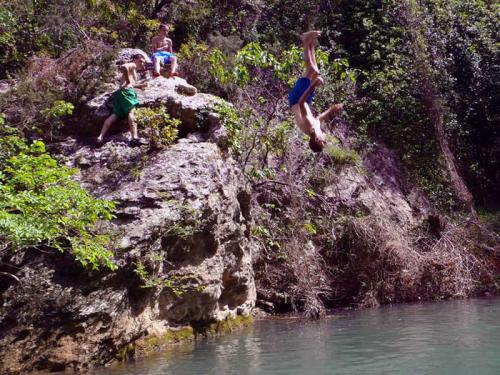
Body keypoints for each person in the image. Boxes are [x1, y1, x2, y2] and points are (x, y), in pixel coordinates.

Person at [289, 31, 343, 152]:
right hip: (304, 100)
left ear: (317, 140)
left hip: (297, 99)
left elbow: (301, 103)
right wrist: (332, 110)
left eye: (323, 142)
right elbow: (318, 119)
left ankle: (305, 40)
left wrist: (313, 85)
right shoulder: (316, 130)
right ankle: (311, 43)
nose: (325, 140)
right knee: (316, 72)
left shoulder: (309, 126)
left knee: (311, 69)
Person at [96, 54, 148, 147]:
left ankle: (100, 137)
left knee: (114, 115)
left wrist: (141, 85)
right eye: (140, 61)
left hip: (120, 94)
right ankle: (134, 138)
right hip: (127, 93)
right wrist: (128, 81)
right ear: (135, 59)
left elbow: (130, 83)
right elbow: (124, 67)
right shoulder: (132, 64)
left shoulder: (133, 70)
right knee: (131, 113)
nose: (142, 63)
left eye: (143, 62)